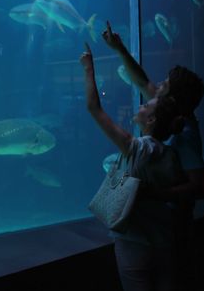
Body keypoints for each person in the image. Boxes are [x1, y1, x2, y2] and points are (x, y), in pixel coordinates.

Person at [102, 21, 204, 289]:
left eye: (165, 84)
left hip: (171, 227)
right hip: (154, 225)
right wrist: (120, 48)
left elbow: (199, 185)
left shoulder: (186, 133)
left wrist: (153, 193)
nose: (157, 84)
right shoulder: (167, 112)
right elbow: (141, 80)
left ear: (172, 98)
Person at [80, 42, 187, 291]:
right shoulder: (171, 154)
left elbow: (94, 109)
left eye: (145, 105)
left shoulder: (135, 147)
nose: (141, 105)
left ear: (150, 119)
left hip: (134, 240)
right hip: (164, 239)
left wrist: (88, 68)